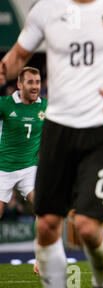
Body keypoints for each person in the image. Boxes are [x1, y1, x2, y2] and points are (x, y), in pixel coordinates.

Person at [0, 0, 103, 288]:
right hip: (59, 128)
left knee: (86, 226)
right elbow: (18, 56)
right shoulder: (45, 9)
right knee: (46, 225)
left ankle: (102, 281)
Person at [0, 67, 46, 275]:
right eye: (30, 82)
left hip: (29, 168)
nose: (35, 86)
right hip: (3, 167)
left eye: (37, 82)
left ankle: (40, 259)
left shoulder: (45, 107)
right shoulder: (5, 104)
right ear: (20, 85)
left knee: (43, 209)